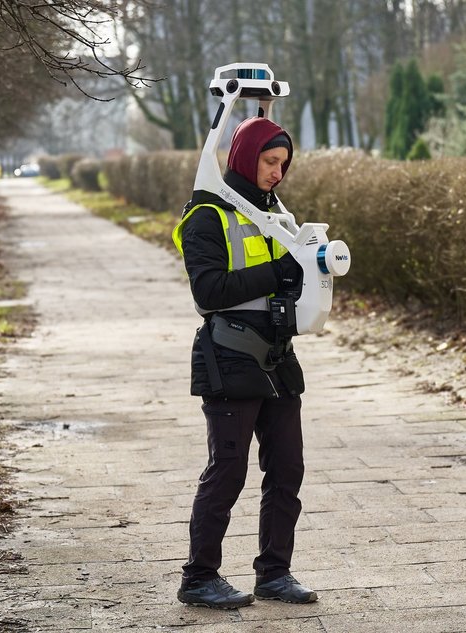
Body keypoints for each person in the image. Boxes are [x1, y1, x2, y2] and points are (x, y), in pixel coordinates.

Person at [171, 116, 317, 609]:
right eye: (269, 161)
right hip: (229, 355)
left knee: (287, 470)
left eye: (283, 164)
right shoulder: (206, 215)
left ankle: (274, 574)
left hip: (278, 357)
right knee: (227, 471)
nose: (277, 172)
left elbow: (294, 281)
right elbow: (208, 291)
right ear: (243, 157)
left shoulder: (279, 216)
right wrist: (279, 272)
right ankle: (198, 577)